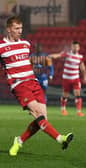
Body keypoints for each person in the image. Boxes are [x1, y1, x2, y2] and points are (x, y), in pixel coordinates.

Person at [0, 16, 73, 156]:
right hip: (19, 85)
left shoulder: (26, 44)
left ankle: (19, 141)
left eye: (21, 28)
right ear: (8, 29)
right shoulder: (1, 47)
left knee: (43, 118)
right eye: (16, 28)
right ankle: (60, 138)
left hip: (34, 83)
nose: (19, 31)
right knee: (38, 115)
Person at [48, 41, 86, 117]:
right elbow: (58, 55)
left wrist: (85, 76)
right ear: (71, 47)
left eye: (76, 47)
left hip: (75, 78)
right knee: (65, 94)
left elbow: (82, 68)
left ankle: (79, 111)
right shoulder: (67, 54)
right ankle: (63, 109)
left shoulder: (80, 57)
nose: (75, 48)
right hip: (66, 78)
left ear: (79, 48)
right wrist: (51, 56)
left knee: (78, 94)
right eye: (74, 46)